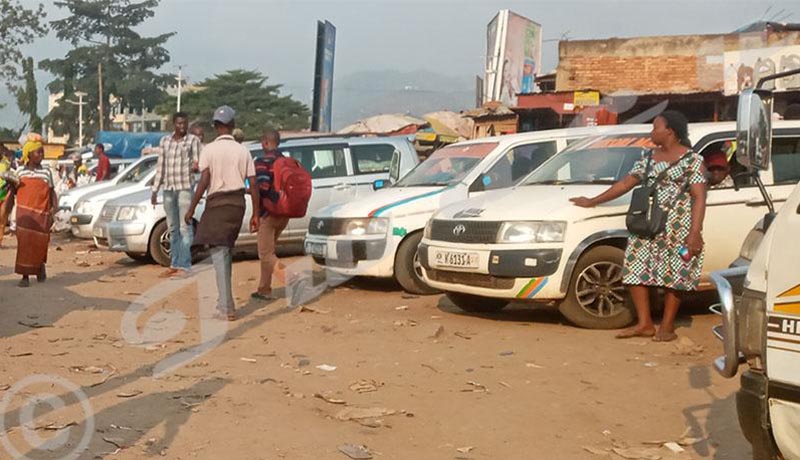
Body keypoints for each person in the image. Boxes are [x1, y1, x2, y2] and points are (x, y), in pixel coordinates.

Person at [570, 111, 707, 342]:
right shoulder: (648, 158)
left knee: (676, 275)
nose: (651, 132)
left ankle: (667, 325)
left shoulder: (693, 161)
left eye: (655, 128)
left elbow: (699, 196)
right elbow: (625, 184)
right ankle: (644, 323)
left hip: (677, 226)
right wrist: (593, 201)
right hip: (645, 223)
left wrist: (695, 233)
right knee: (635, 270)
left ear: (670, 132)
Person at [186, 106, 260, 321]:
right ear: (233, 126)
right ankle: (224, 302)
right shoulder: (243, 150)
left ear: (215, 127)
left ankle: (226, 306)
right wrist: (256, 213)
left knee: (219, 253)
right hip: (237, 204)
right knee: (224, 250)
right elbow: (253, 184)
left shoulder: (208, 150)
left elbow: (204, 180)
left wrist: (191, 208)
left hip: (217, 204)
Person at [152, 112, 203, 278]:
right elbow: (161, 167)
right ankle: (174, 263)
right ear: (174, 124)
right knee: (172, 228)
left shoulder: (192, 141)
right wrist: (154, 190)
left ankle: (185, 265)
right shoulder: (165, 141)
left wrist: (196, 166)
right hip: (168, 189)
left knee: (184, 227)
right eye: (179, 123)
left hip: (185, 188)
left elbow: (199, 161)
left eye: (185, 124)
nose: (182, 126)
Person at [14, 138, 57, 287]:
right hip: (24, 215)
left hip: (42, 214)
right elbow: (12, 191)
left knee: (40, 242)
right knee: (24, 244)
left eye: (42, 152)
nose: (42, 155)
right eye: (38, 152)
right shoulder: (19, 171)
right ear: (29, 154)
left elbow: (52, 192)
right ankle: (25, 276)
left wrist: (54, 211)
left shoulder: (46, 172)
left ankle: (39, 267)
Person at [251, 129, 288, 301]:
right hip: (284, 212)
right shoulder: (285, 160)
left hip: (268, 213)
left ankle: (292, 280)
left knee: (265, 254)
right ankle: (264, 288)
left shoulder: (262, 161)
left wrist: (255, 211)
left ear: (265, 142)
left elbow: (262, 187)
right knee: (269, 252)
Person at [0, 145, 15, 247]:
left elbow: (12, 175)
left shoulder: (6, 163)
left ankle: (0, 241)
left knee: (2, 218)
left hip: (4, 192)